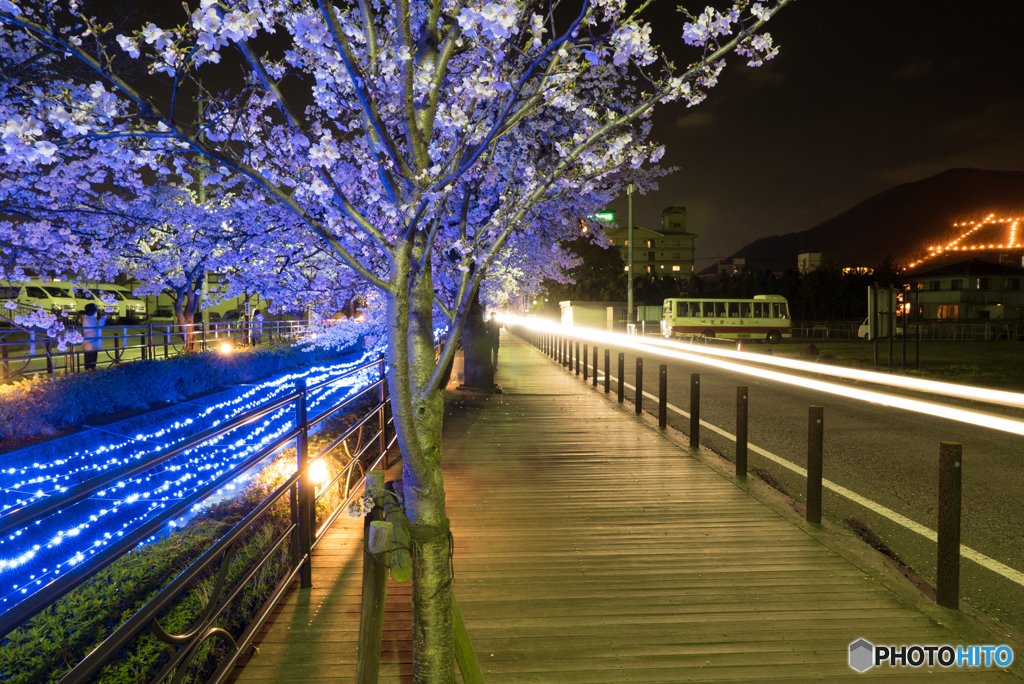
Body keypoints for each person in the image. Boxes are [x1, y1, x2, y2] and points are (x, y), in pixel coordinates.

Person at [81, 302, 106, 370]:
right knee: (91, 358)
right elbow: (96, 328)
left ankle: (91, 369)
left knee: (92, 357)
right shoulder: (88, 319)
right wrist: (102, 320)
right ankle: (90, 370)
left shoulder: (89, 318)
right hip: (90, 342)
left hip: (92, 341)